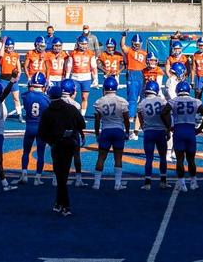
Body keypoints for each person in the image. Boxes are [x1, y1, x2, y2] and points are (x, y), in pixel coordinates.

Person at [38, 79, 86, 216]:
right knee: (62, 176)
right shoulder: (71, 109)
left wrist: (51, 141)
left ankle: (64, 204)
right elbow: (82, 124)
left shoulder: (47, 112)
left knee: (60, 176)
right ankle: (60, 203)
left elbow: (41, 133)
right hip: (69, 144)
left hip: (56, 145)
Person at [166, 80, 203, 192]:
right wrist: (200, 128)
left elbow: (163, 113)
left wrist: (169, 127)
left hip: (178, 130)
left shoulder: (173, 101)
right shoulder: (195, 101)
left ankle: (182, 183)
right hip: (190, 130)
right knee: (191, 159)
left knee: (179, 159)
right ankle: (193, 182)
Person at [93, 76, 130, 190]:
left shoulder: (99, 101)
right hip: (118, 130)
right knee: (118, 158)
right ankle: (117, 184)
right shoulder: (121, 101)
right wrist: (127, 132)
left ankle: (96, 183)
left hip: (106, 130)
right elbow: (126, 119)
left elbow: (97, 120)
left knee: (101, 157)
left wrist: (97, 134)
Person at [137, 80, 172, 190]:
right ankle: (163, 181)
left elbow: (140, 118)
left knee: (149, 158)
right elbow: (166, 116)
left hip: (149, 132)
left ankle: (147, 183)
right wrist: (168, 129)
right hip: (160, 131)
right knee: (162, 157)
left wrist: (144, 127)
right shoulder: (162, 101)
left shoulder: (141, 103)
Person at [19, 73, 50, 185]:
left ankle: (24, 174)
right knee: (40, 153)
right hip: (41, 127)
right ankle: (37, 178)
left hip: (29, 126)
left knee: (26, 152)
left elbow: (26, 93)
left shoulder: (26, 96)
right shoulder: (47, 98)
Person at [122, 32, 147, 139]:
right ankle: (131, 116)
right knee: (132, 98)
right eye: (135, 44)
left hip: (142, 74)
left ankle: (141, 115)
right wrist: (123, 36)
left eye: (138, 44)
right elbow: (122, 46)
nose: (136, 45)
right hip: (132, 73)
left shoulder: (145, 53)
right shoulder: (129, 51)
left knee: (143, 97)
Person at [0, 37, 22, 118]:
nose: (10, 49)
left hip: (13, 78)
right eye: (9, 47)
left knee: (16, 98)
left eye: (11, 47)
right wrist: (3, 43)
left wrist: (18, 76)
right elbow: (0, 54)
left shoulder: (16, 55)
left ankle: (19, 114)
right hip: (4, 78)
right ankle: (3, 113)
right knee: (3, 98)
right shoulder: (2, 54)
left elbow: (19, 68)